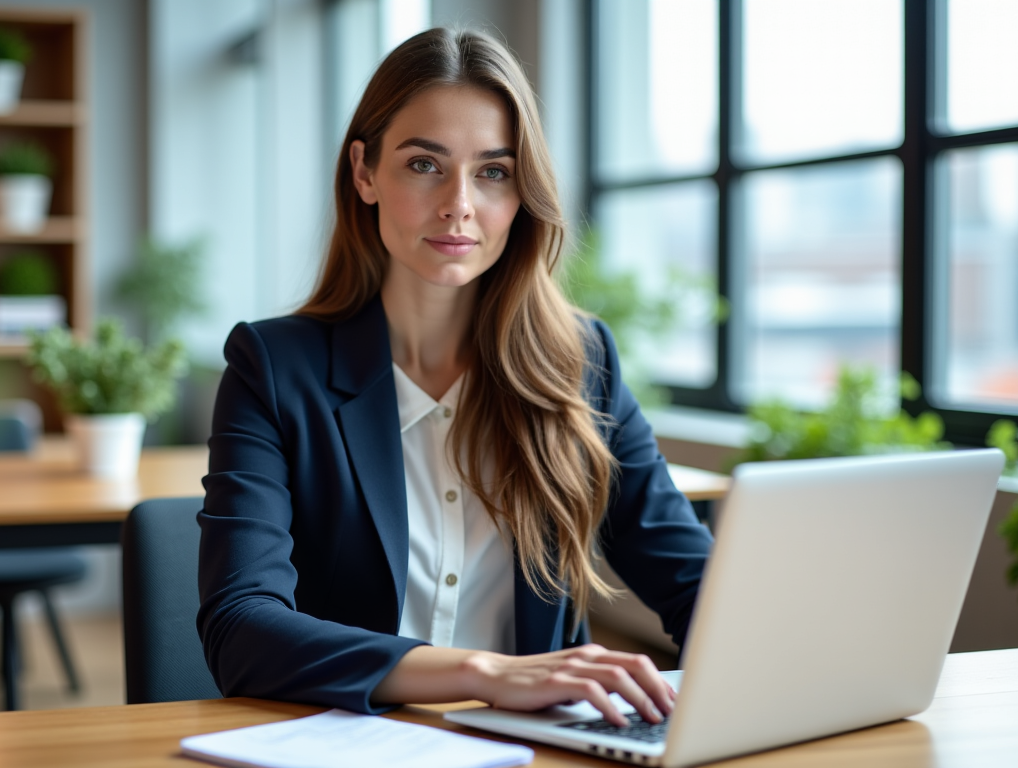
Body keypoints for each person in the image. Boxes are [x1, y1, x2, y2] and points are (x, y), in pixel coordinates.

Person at [197, 27, 713, 728]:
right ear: (365, 172)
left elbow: (697, 583)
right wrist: (486, 673)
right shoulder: (273, 367)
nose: (459, 204)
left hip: (542, 747)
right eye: (423, 165)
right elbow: (240, 627)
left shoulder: (580, 364)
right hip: (355, 746)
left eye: (493, 172)